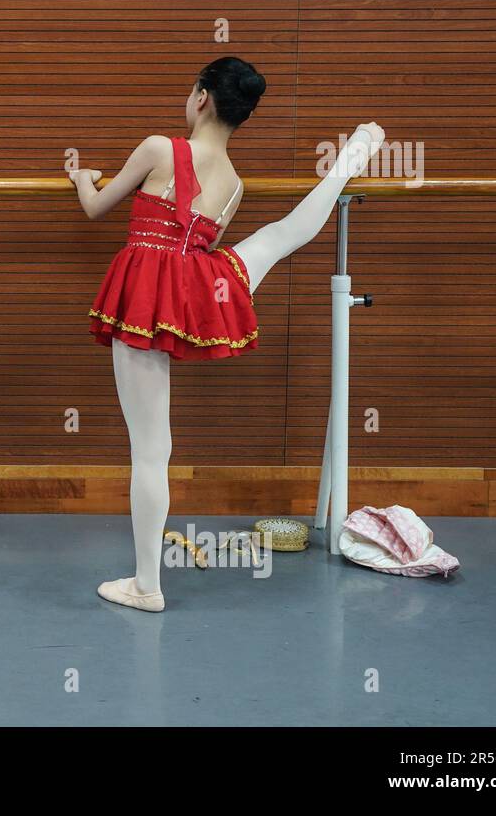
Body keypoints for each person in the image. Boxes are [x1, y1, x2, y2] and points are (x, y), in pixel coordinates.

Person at [71, 56, 384, 611]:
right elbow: (202, 244)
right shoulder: (235, 184)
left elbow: (97, 207)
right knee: (278, 236)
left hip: (145, 290)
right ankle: (352, 159)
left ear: (200, 98)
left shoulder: (158, 148)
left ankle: (147, 586)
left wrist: (79, 179)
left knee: (150, 450)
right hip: (197, 281)